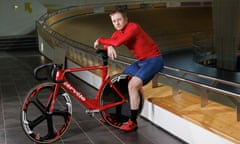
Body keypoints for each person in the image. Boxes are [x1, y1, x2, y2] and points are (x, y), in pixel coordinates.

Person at [94, 7, 164, 132]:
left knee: (132, 85)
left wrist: (100, 40)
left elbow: (117, 42)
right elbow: (112, 41)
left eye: (119, 20)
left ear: (126, 19)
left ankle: (133, 121)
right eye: (114, 21)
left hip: (154, 60)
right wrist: (108, 45)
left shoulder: (133, 27)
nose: (117, 23)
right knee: (121, 82)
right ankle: (115, 114)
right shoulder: (117, 32)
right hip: (141, 62)